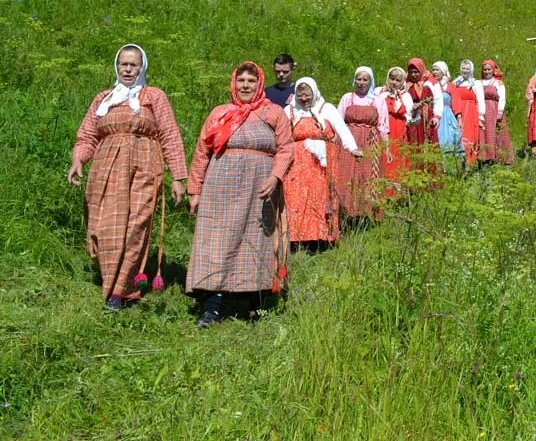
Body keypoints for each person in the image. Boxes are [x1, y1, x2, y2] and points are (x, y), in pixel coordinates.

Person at [69, 44, 188, 311]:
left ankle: (120, 291)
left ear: (142, 67)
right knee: (103, 226)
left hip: (144, 166)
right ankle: (109, 276)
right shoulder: (104, 99)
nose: (128, 69)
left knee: (136, 225)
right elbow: (87, 135)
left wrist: (178, 177)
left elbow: (170, 134)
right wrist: (78, 160)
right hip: (105, 168)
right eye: (123, 63)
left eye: (133, 64)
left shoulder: (153, 96)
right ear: (116, 65)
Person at [187, 62, 294, 328]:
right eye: (241, 81)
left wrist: (275, 177)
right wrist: (195, 190)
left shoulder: (273, 112)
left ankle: (255, 304)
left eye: (251, 81)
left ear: (259, 84)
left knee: (256, 241)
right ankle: (212, 305)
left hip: (260, 187)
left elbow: (286, 148)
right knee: (218, 240)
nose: (245, 86)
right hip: (220, 187)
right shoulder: (220, 113)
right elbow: (203, 151)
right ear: (234, 83)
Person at [282, 77, 361, 253]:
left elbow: (342, 129)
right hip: (296, 164)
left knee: (320, 197)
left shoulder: (326, 109)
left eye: (307, 95)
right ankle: (296, 238)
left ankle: (321, 238)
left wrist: (352, 148)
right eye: (300, 95)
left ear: (314, 93)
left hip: (322, 163)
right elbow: (280, 134)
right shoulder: (289, 110)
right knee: (296, 198)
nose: (303, 99)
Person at [336, 66, 389, 219]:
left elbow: (383, 126)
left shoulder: (377, 100)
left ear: (370, 81)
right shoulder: (347, 98)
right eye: (359, 79)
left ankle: (366, 214)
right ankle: (345, 212)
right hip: (348, 141)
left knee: (367, 176)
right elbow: (338, 121)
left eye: (365, 80)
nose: (361, 82)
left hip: (369, 141)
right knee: (346, 175)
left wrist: (386, 147)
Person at [403, 58, 444, 184]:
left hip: (427, 118)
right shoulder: (406, 83)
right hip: (412, 118)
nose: (414, 75)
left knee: (428, 146)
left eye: (416, 72)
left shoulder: (431, 81)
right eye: (411, 72)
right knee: (413, 146)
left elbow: (438, 100)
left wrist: (436, 116)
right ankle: (414, 179)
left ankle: (431, 180)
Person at [474, 59, 513, 165]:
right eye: (485, 70)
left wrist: (500, 111)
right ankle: (484, 157)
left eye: (489, 69)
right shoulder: (478, 83)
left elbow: (502, 98)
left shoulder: (497, 83)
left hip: (494, 109)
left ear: (493, 70)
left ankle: (497, 157)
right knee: (483, 132)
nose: (487, 72)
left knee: (494, 132)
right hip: (481, 110)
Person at [379, 67, 410, 190]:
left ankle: (398, 193)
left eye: (398, 80)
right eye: (392, 79)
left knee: (398, 158)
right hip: (386, 129)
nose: (394, 82)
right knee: (385, 157)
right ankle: (384, 191)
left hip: (400, 130)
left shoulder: (405, 96)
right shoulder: (381, 94)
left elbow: (410, 115)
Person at [431, 61, 464, 172]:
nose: (434, 72)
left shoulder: (450, 86)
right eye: (433, 70)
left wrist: (459, 118)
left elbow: (456, 102)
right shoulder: (431, 85)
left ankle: (452, 169)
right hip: (435, 116)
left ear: (443, 71)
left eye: (437, 69)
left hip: (447, 115)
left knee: (449, 140)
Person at [449, 61, 480, 167]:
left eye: (467, 69)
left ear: (471, 70)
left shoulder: (476, 84)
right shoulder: (455, 83)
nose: (465, 71)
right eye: (463, 68)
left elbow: (480, 101)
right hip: (457, 113)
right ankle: (458, 162)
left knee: (469, 136)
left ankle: (470, 163)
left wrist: (481, 117)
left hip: (471, 114)